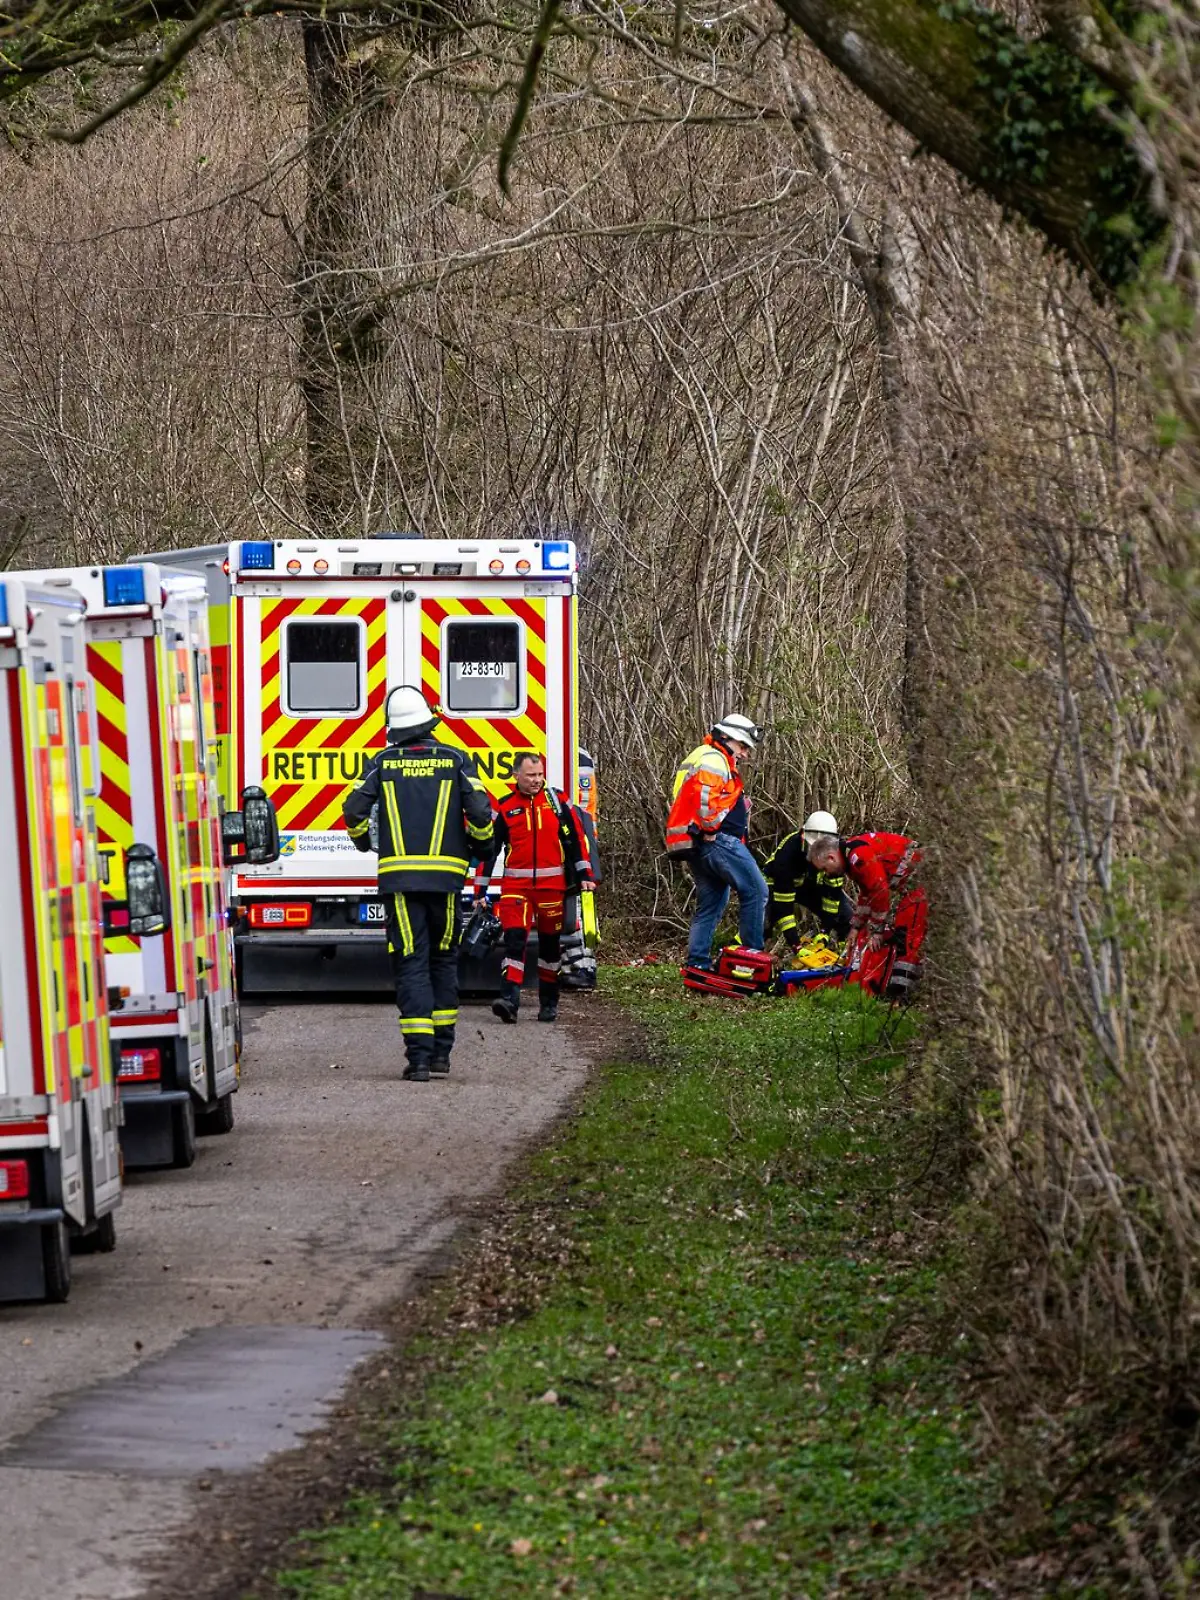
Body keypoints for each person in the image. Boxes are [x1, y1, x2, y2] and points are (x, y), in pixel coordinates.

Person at [343, 685, 493, 1082]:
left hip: (400, 884)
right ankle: (442, 1055)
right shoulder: (457, 760)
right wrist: (482, 847)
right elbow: (480, 815)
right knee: (444, 961)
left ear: (394, 728)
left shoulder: (382, 763)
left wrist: (362, 842)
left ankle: (420, 1059)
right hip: (446, 884)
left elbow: (353, 810)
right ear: (428, 722)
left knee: (412, 963)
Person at [479, 752, 593, 1025]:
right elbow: (489, 852)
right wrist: (479, 892)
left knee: (550, 950)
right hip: (516, 889)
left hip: (552, 889)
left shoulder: (556, 802)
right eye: (531, 775)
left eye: (540, 774)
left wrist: (585, 874)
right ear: (516, 775)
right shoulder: (505, 808)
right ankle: (509, 1001)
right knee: (514, 943)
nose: (536, 780)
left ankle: (549, 1004)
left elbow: (576, 839)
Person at [665, 713, 769, 971]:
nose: (745, 754)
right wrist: (710, 826)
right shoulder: (714, 759)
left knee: (711, 905)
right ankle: (751, 963)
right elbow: (704, 799)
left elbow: (687, 795)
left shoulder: (702, 756)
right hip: (716, 840)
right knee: (756, 891)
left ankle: (698, 963)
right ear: (727, 737)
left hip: (698, 843)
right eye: (742, 746)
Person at [805, 828, 927, 993]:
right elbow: (867, 894)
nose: (826, 874)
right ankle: (881, 984)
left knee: (907, 935)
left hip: (921, 880)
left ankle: (901, 994)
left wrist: (877, 929)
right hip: (915, 881)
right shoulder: (851, 857)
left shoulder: (858, 856)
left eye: (825, 869)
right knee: (897, 933)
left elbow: (879, 890)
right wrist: (856, 927)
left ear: (831, 857)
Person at [763, 809, 853, 951]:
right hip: (777, 886)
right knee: (763, 922)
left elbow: (833, 898)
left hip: (810, 887)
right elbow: (784, 906)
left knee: (845, 916)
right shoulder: (787, 856)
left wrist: (825, 932)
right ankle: (740, 955)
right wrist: (796, 945)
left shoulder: (836, 857)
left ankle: (847, 956)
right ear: (803, 836)